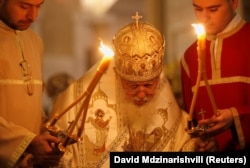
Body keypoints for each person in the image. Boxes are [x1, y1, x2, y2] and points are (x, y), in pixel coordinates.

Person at [49, 13, 216, 168]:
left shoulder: (164, 95)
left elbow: (180, 141)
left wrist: (196, 148)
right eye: (133, 86)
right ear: (117, 75)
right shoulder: (78, 100)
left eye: (149, 85)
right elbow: (59, 155)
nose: (142, 94)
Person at [181, 0, 250, 151]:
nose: (204, 18)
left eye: (213, 9)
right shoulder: (190, 56)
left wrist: (236, 117)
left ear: (234, 3)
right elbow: (189, 119)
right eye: (198, 9)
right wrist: (201, 142)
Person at [0, 0, 61, 167]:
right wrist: (28, 142)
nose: (33, 16)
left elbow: (31, 104)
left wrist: (48, 131)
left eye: (39, 6)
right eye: (24, 6)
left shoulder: (35, 41)